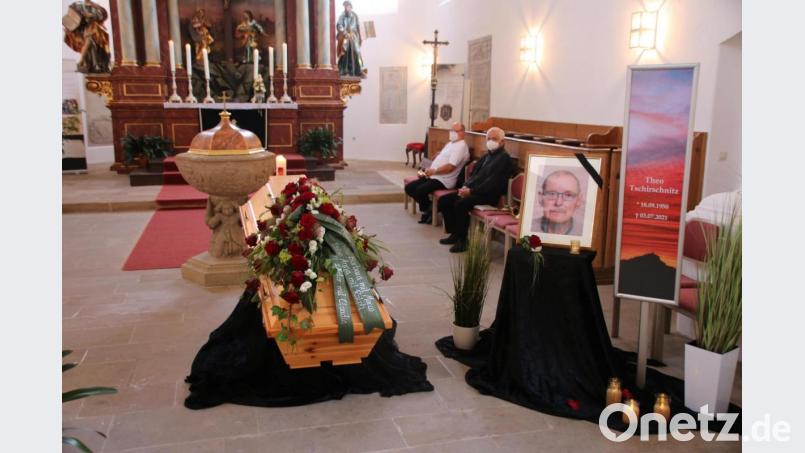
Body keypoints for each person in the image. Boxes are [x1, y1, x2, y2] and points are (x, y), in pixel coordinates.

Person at [438, 127, 515, 252]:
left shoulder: (504, 159)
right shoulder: (487, 156)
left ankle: (463, 241)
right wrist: (465, 187)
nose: (490, 141)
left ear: (502, 142)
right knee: (444, 200)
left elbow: (493, 183)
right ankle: (455, 234)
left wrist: (471, 192)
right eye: (488, 139)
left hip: (489, 195)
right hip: (474, 191)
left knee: (460, 204)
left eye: (494, 139)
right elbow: (474, 175)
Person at [405, 123, 470, 224]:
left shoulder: (461, 146)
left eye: (455, 131)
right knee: (409, 188)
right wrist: (438, 155)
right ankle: (430, 209)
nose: (452, 133)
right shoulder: (451, 143)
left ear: (462, 132)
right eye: (451, 130)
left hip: (444, 180)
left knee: (420, 190)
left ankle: (429, 211)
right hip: (434, 175)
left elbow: (450, 167)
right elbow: (446, 154)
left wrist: (434, 171)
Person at [63, 0, 111, 74]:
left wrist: (92, 15)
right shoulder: (77, 5)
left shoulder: (95, 6)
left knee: (91, 41)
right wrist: (69, 26)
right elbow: (72, 17)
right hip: (82, 30)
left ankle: (84, 62)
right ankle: (91, 65)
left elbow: (101, 16)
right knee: (91, 44)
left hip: (93, 29)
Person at [531, 170, 584, 235]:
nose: (558, 202)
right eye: (552, 194)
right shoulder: (526, 229)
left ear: (579, 201)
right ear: (540, 198)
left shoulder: (587, 235)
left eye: (568, 195)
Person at [336, 1, 367, 78]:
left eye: (347, 6)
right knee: (345, 51)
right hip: (345, 37)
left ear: (351, 7)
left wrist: (361, 37)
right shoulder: (342, 16)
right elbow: (339, 25)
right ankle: (344, 70)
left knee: (357, 52)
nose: (346, 8)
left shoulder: (355, 16)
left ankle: (359, 70)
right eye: (345, 6)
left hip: (354, 37)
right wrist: (344, 31)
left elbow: (358, 27)